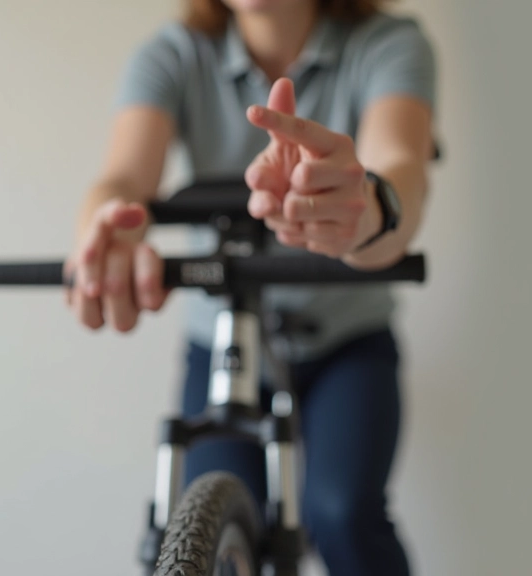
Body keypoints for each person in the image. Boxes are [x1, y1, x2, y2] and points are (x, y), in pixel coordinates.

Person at [65, 0, 436, 573]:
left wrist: (364, 209)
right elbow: (122, 180)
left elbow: (402, 169)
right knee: (200, 521)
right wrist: (107, 229)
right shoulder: (173, 56)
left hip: (346, 345)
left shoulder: (386, 44)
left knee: (341, 514)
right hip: (222, 349)